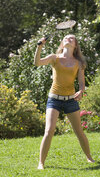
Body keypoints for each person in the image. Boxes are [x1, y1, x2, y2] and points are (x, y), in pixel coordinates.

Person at [34, 34, 95, 170]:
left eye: (72, 38)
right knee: (49, 130)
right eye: (66, 38)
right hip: (54, 99)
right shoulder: (54, 58)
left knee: (79, 131)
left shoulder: (79, 63)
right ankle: (41, 163)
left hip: (70, 100)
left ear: (75, 45)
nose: (68, 39)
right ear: (62, 43)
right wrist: (39, 47)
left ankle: (89, 157)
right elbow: (37, 63)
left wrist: (81, 91)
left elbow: (81, 82)